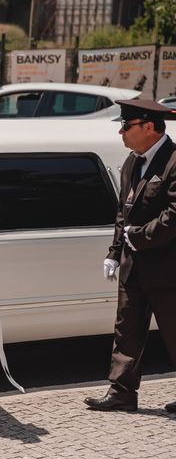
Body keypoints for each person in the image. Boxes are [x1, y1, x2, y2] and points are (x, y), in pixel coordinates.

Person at [84, 99, 176, 413]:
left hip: (168, 269)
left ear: (149, 127)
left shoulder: (174, 161)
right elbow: (123, 213)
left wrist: (136, 237)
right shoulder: (132, 162)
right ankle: (121, 393)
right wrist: (114, 252)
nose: (121, 132)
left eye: (127, 126)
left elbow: (174, 216)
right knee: (127, 330)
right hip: (133, 265)